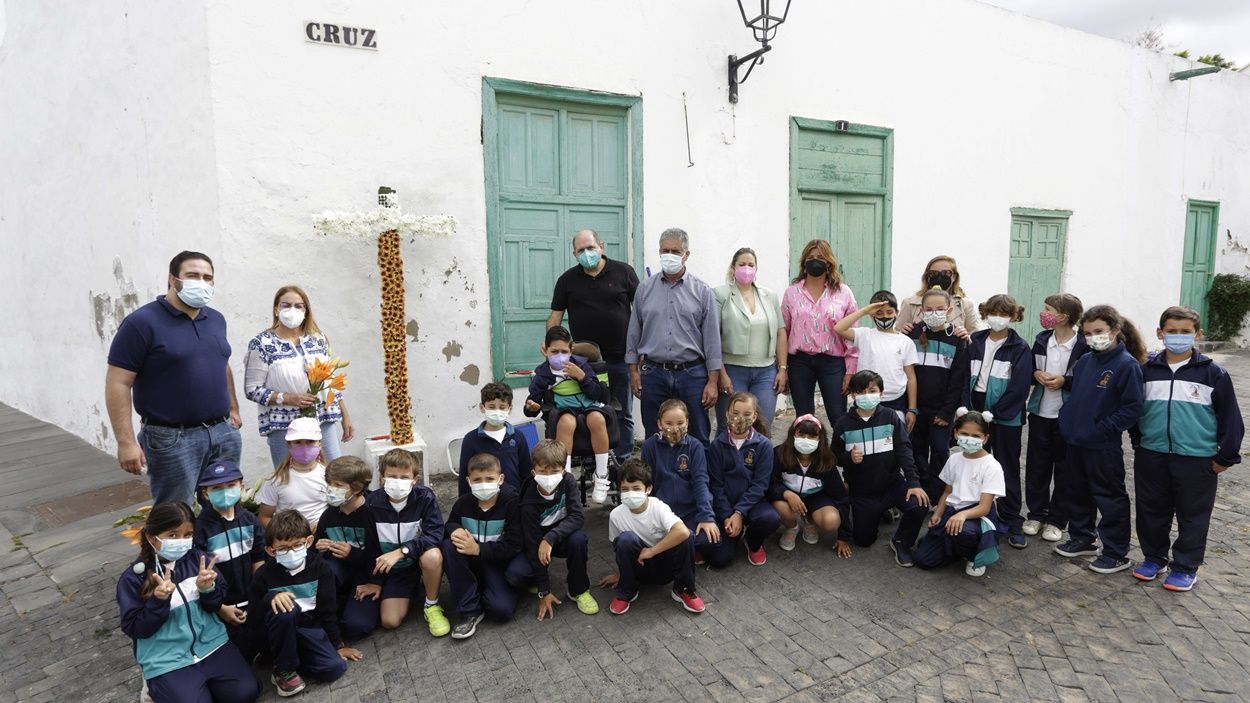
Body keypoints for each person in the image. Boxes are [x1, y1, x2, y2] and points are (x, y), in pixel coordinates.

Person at [105, 251, 243, 507]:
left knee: (223, 510)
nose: (201, 282)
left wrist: (233, 408)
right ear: (172, 279)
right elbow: (118, 383)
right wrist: (125, 442)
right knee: (175, 515)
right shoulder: (141, 323)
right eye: (193, 276)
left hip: (223, 432)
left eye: (207, 277)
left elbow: (222, 364)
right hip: (172, 439)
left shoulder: (215, 319)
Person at [1132, 306, 1244, 591]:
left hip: (1196, 459)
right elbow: (1134, 412)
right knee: (1151, 510)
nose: (1178, 337)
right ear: (1160, 333)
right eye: (1172, 331)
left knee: (1192, 515)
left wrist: (1224, 458)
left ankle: (1185, 566)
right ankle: (1154, 558)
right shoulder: (1146, 371)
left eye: (1185, 332)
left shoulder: (1213, 374)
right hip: (1152, 454)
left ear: (1198, 334)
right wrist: (1139, 443)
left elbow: (1230, 420)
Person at [117, 502, 261, 703]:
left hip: (212, 644)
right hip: (168, 660)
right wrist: (159, 601)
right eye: (173, 535)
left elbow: (215, 603)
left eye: (188, 534)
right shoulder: (133, 578)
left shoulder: (198, 560)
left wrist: (207, 590)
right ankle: (153, 686)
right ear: (151, 537)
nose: (182, 541)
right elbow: (136, 628)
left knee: (246, 693)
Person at [1055, 305, 1146, 574]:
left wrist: (1101, 429)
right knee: (1077, 491)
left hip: (1102, 445)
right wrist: (1068, 420)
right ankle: (1083, 537)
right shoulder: (1085, 361)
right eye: (1087, 333)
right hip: (1076, 441)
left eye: (1099, 331)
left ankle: (1116, 552)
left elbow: (1132, 408)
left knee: (1110, 497)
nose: (1093, 337)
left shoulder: (1126, 365)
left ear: (1115, 330)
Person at [548, 229, 640, 460]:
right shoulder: (567, 280)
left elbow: (642, 312)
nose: (587, 253)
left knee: (622, 412)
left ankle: (623, 460)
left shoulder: (624, 272)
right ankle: (592, 463)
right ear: (574, 253)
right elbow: (555, 316)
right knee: (588, 411)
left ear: (601, 246)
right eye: (581, 250)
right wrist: (552, 348)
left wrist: (641, 350)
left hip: (621, 358)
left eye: (591, 248)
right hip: (585, 363)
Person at [626, 228, 723, 446]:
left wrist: (713, 381)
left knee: (698, 433)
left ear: (686, 254)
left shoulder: (702, 291)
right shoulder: (644, 289)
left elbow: (712, 340)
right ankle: (655, 479)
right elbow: (634, 333)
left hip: (693, 374)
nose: (669, 255)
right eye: (664, 250)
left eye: (675, 251)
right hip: (653, 373)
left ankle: (699, 479)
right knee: (654, 435)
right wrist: (633, 371)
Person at [249, 510, 361, 697]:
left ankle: (293, 659)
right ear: (271, 550)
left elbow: (327, 611)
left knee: (334, 668)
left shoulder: (320, 568)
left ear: (308, 542)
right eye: (283, 548)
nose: (291, 552)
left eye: (297, 545)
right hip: (278, 629)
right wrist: (271, 598)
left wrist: (337, 645)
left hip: (307, 630)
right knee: (287, 610)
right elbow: (254, 615)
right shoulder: (263, 575)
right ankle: (283, 670)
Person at [244, 285, 354, 468]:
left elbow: (330, 380)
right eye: (286, 305)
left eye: (299, 306)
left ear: (306, 310)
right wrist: (289, 398)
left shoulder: (318, 339)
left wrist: (345, 415)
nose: (292, 310)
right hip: (284, 425)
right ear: (276, 309)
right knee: (288, 477)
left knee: (334, 475)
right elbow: (252, 390)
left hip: (323, 420)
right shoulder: (262, 343)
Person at [831, 371, 930, 565]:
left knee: (920, 505)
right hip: (862, 491)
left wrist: (913, 482)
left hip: (892, 484)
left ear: (881, 393)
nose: (866, 395)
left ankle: (901, 541)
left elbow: (904, 450)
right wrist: (848, 458)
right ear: (852, 394)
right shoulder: (843, 424)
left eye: (872, 390)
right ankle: (883, 512)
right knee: (863, 541)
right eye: (860, 391)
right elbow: (834, 456)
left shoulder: (890, 417)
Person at [961, 294, 1032, 549]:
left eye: (1004, 314)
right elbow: (963, 376)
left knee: (1006, 468)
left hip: (1005, 417)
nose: (997, 318)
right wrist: (966, 408)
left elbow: (1020, 386)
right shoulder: (975, 341)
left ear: (1014, 317)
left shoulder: (1020, 347)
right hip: (975, 410)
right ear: (985, 313)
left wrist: (997, 413)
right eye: (993, 312)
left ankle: (1012, 520)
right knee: (975, 465)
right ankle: (979, 513)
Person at [357, 449, 449, 637]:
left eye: (404, 477)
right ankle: (413, 587)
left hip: (417, 559)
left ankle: (432, 604)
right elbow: (371, 545)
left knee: (433, 556)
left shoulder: (425, 498)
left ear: (415, 479)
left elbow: (435, 534)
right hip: (395, 571)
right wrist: (375, 581)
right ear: (382, 478)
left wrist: (402, 551)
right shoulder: (371, 504)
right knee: (390, 621)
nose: (398, 482)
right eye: (392, 476)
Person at [506, 440, 598, 620]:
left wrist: (550, 538)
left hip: (557, 538)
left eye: (554, 471)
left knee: (578, 540)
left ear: (564, 470)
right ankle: (535, 580)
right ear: (534, 471)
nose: (548, 476)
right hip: (535, 544)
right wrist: (544, 591)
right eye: (542, 471)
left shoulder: (568, 482)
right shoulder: (527, 503)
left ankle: (578, 590)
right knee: (516, 575)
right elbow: (533, 546)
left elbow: (578, 516)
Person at [1022, 294, 1088, 543]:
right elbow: (1028, 369)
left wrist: (1064, 381)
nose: (1044, 313)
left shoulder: (1082, 345)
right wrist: (1036, 373)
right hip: (1041, 412)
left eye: (1049, 309)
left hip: (1067, 415)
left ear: (1064, 316)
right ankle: (1036, 514)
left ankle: (1058, 519)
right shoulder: (1041, 340)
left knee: (1065, 469)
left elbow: (1086, 378)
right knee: (1037, 466)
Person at [601, 458, 704, 615]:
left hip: (665, 566)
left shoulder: (658, 507)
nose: (630, 493)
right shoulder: (616, 515)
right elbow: (618, 549)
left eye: (636, 488)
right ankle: (627, 591)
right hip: (639, 567)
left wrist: (651, 551)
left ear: (648, 489)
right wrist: (621, 575)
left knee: (687, 537)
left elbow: (682, 532)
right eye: (625, 489)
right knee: (625, 540)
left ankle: (683, 589)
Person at [523, 325, 612, 503]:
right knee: (566, 422)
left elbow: (598, 393)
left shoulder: (582, 365)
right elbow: (532, 403)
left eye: (564, 351)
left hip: (589, 405)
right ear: (545, 350)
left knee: (597, 418)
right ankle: (566, 477)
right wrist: (531, 407)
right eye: (554, 351)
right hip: (565, 409)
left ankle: (601, 476)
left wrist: (582, 377)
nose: (560, 356)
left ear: (571, 350)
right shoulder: (543, 374)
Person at [913, 409, 1006, 577]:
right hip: (952, 511)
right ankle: (954, 547)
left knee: (964, 531)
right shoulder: (954, 459)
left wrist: (962, 515)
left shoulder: (991, 466)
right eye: (964, 433)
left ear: (985, 438)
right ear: (955, 433)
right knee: (923, 559)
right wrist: (938, 513)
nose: (970, 439)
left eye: (976, 436)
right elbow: (947, 491)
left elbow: (985, 507)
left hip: (977, 515)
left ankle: (973, 555)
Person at [443, 453, 525, 639]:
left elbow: (514, 544)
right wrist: (454, 529)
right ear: (468, 481)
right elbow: (450, 523)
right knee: (449, 544)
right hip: (470, 562)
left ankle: (493, 590)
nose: (483, 483)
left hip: (497, 562)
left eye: (489, 478)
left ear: (501, 479)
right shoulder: (463, 503)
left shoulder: (512, 503)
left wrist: (479, 549)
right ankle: (469, 611)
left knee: (501, 611)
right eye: (477, 479)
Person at [192, 460, 265, 660]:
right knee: (240, 655)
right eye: (216, 488)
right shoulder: (200, 529)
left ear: (241, 486)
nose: (225, 492)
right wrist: (221, 608)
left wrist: (258, 597)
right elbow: (201, 575)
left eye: (231, 485)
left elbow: (259, 560)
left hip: (251, 599)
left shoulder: (250, 520)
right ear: (206, 493)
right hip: (220, 607)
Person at [781, 239, 859, 423]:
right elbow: (784, 331)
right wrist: (782, 368)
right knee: (804, 418)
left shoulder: (843, 292)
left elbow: (852, 333)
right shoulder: (791, 293)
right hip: (799, 362)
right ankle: (806, 452)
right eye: (811, 257)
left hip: (832, 362)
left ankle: (840, 452)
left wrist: (851, 370)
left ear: (829, 262)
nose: (815, 260)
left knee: (837, 415)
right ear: (804, 262)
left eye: (820, 257)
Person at [904, 288, 970, 502]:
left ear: (949, 310)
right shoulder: (911, 334)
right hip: (915, 407)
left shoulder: (957, 339)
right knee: (916, 449)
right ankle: (921, 489)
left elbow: (958, 380)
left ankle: (938, 493)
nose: (934, 312)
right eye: (929, 309)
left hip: (942, 409)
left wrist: (947, 411)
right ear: (921, 310)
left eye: (940, 309)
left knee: (941, 451)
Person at [714, 247, 788, 433]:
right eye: (742, 264)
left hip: (765, 372)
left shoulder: (769, 296)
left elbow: (780, 332)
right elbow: (712, 336)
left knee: (763, 426)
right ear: (733, 268)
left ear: (756, 269)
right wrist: (721, 374)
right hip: (732, 370)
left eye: (751, 265)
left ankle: (759, 462)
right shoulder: (720, 294)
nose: (746, 268)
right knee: (731, 428)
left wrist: (782, 369)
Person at [705, 392, 780, 567]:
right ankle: (733, 531)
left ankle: (753, 542)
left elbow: (760, 484)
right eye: (735, 413)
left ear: (754, 416)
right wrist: (726, 515)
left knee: (770, 518)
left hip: (753, 503)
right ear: (726, 414)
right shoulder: (716, 446)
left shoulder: (764, 445)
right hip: (726, 505)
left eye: (747, 414)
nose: (740, 418)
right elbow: (716, 485)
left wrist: (739, 512)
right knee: (719, 559)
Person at [643, 399, 720, 566]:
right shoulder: (650, 446)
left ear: (688, 422)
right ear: (659, 423)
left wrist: (706, 517)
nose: (675, 428)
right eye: (668, 423)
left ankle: (681, 548)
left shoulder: (695, 446)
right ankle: (681, 549)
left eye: (680, 422)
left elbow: (701, 482)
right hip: (663, 513)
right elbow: (647, 482)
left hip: (689, 512)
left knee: (710, 540)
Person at [833, 291, 919, 428]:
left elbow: (911, 377)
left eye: (889, 312)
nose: (885, 317)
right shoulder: (864, 335)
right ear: (872, 314)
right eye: (879, 313)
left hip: (895, 401)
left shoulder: (905, 342)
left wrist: (912, 409)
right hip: (865, 399)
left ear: (896, 312)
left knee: (893, 441)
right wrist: (865, 311)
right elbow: (839, 328)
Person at [768, 414, 849, 554]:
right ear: (793, 434)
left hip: (817, 498)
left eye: (812, 436)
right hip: (788, 497)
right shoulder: (779, 453)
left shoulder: (826, 460)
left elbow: (840, 497)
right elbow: (770, 483)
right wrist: (785, 493)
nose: (806, 440)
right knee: (780, 507)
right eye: (802, 434)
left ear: (820, 438)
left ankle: (809, 521)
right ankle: (792, 526)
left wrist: (843, 536)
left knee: (831, 520)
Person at [313, 456, 373, 640]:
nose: (331, 489)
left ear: (356, 489)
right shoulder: (329, 515)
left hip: (368, 577)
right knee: (327, 570)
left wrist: (352, 554)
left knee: (356, 627)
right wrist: (318, 548)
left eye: (338, 485)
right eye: (330, 484)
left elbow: (381, 555)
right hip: (339, 574)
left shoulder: (373, 512)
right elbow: (315, 550)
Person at [458, 381, 533, 496]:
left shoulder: (518, 437)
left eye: (502, 407)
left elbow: (526, 471)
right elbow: (464, 475)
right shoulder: (471, 439)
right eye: (491, 407)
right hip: (482, 499)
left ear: (510, 408)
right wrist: (464, 505)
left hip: (513, 500)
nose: (497, 411)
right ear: (482, 407)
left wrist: (526, 500)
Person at [256, 417, 329, 529]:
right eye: (298, 442)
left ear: (319, 444)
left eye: (310, 442)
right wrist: (286, 535)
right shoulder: (276, 479)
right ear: (289, 445)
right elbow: (264, 517)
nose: (304, 447)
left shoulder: (329, 475)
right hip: (291, 540)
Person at [898, 255, 982, 333]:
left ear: (954, 277)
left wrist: (966, 337)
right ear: (927, 277)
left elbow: (976, 337)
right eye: (933, 273)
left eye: (946, 273)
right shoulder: (910, 303)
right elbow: (897, 335)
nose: (939, 277)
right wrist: (903, 332)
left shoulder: (966, 304)